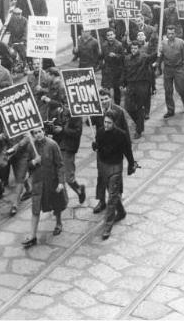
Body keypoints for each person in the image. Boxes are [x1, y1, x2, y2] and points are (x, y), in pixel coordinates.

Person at [92, 111, 135, 240]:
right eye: (105, 122)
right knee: (113, 193)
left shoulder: (121, 135)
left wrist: (131, 164)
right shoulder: (99, 132)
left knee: (111, 197)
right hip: (104, 165)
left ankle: (108, 226)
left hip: (116, 166)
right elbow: (99, 147)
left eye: (109, 123)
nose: (106, 125)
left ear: (114, 123)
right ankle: (121, 212)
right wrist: (95, 146)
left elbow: (128, 151)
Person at [21, 127, 66, 248]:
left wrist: (61, 182)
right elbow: (27, 165)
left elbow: (60, 165)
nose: (38, 134)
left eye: (40, 131)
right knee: (35, 208)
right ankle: (32, 235)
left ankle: (58, 223)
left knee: (56, 204)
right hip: (38, 183)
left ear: (44, 131)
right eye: (35, 133)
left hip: (52, 182)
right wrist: (34, 162)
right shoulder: (31, 146)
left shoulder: (52, 145)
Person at [89, 88, 131, 214]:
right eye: (101, 100)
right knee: (101, 175)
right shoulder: (97, 111)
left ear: (110, 98)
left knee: (116, 177)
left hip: (116, 151)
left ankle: (117, 199)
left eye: (106, 99)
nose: (104, 101)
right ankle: (101, 200)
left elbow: (125, 132)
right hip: (101, 150)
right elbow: (90, 124)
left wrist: (129, 154)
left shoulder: (118, 111)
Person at [50, 104, 86, 204]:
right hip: (59, 146)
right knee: (58, 176)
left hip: (69, 148)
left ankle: (79, 190)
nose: (66, 107)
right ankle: (62, 201)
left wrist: (62, 130)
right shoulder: (61, 112)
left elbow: (77, 133)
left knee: (69, 178)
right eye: (65, 104)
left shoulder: (77, 115)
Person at [122, 42, 155, 139]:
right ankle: (136, 124)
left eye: (135, 48)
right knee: (128, 108)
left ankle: (139, 130)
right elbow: (125, 71)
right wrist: (122, 83)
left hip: (141, 85)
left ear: (138, 48)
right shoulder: (127, 58)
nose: (133, 50)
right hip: (130, 85)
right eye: (132, 48)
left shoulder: (144, 57)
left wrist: (158, 52)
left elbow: (152, 57)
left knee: (139, 108)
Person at [157, 25, 184, 118]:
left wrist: (183, 69)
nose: (170, 35)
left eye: (172, 33)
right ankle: (170, 110)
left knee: (181, 88)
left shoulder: (181, 43)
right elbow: (160, 56)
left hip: (178, 69)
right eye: (168, 34)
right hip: (168, 69)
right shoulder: (163, 43)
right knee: (168, 90)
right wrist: (158, 66)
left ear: (175, 33)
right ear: (166, 34)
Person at [100, 29, 125, 105]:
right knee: (106, 90)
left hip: (116, 71)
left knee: (117, 90)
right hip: (107, 70)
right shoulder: (104, 45)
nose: (110, 36)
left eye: (111, 35)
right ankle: (107, 105)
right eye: (108, 35)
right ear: (106, 37)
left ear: (115, 35)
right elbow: (101, 57)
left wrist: (116, 56)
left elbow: (123, 57)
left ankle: (117, 105)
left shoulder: (119, 45)